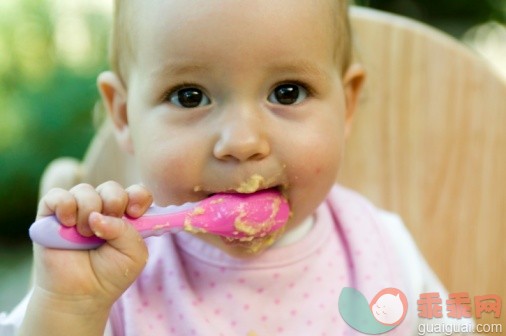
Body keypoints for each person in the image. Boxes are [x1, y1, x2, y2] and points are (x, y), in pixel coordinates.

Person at [1, 0, 473, 335]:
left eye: (287, 92)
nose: (243, 142)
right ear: (124, 115)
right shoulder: (106, 279)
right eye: (190, 96)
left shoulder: (382, 249)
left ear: (345, 106)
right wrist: (69, 309)